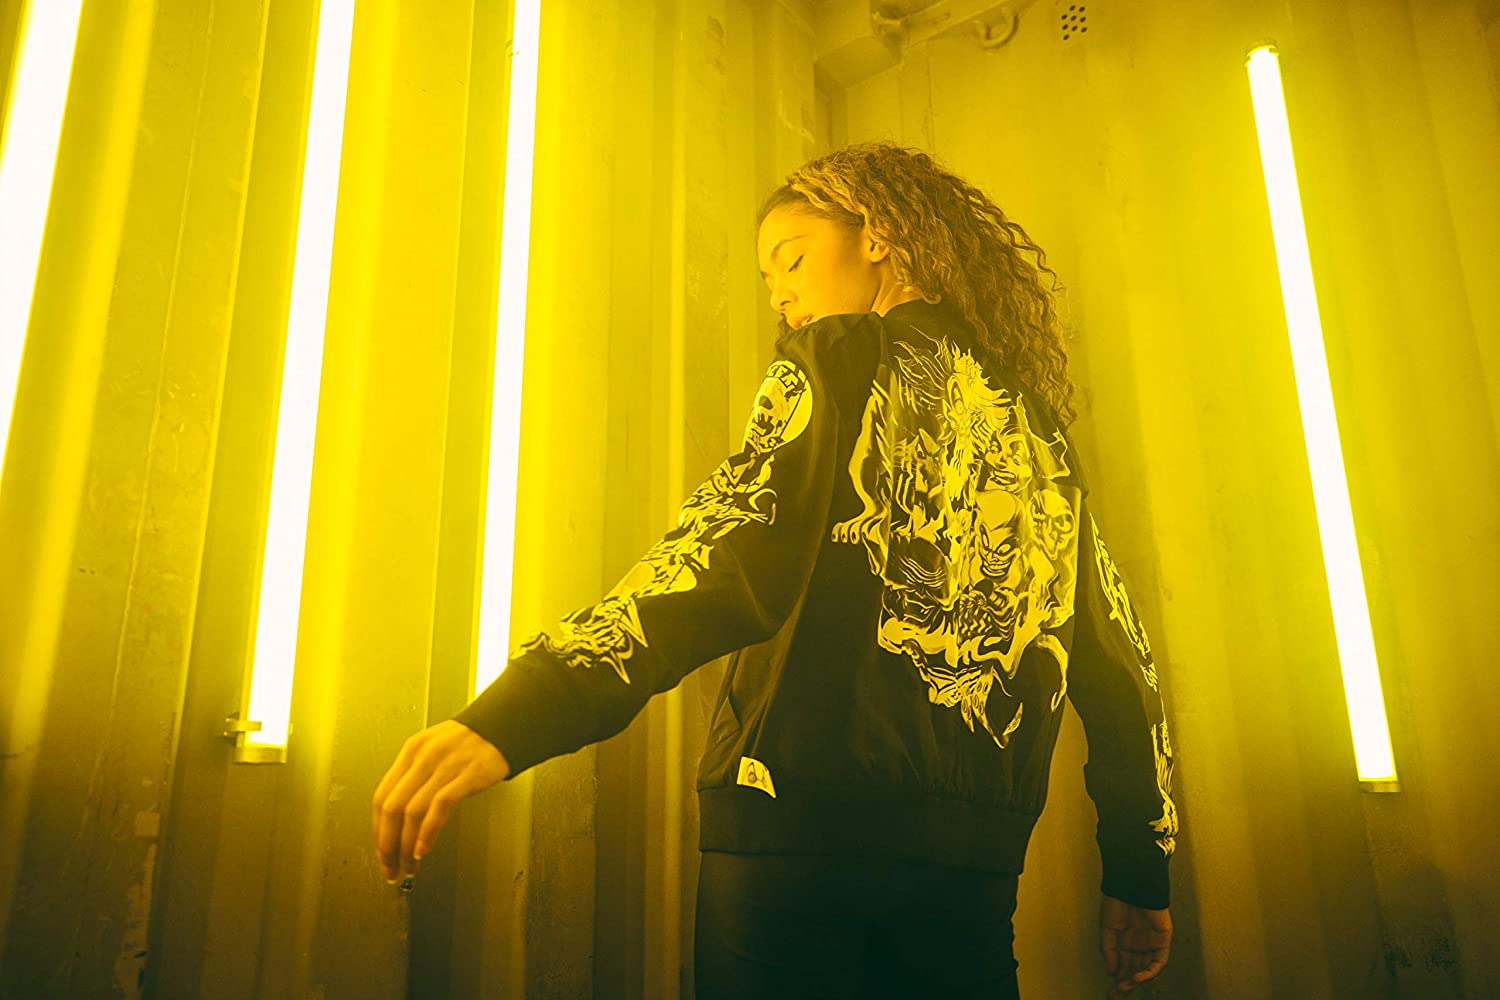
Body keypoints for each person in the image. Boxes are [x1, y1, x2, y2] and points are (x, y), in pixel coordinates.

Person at [373, 141, 1179, 999]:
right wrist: (1141, 873)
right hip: (971, 868)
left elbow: (731, 549)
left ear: (878, 235)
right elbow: (1120, 668)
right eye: (767, 278)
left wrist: (524, 708)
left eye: (790, 259)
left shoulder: (839, 355)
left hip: (792, 833)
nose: (780, 294)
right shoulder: (1043, 441)